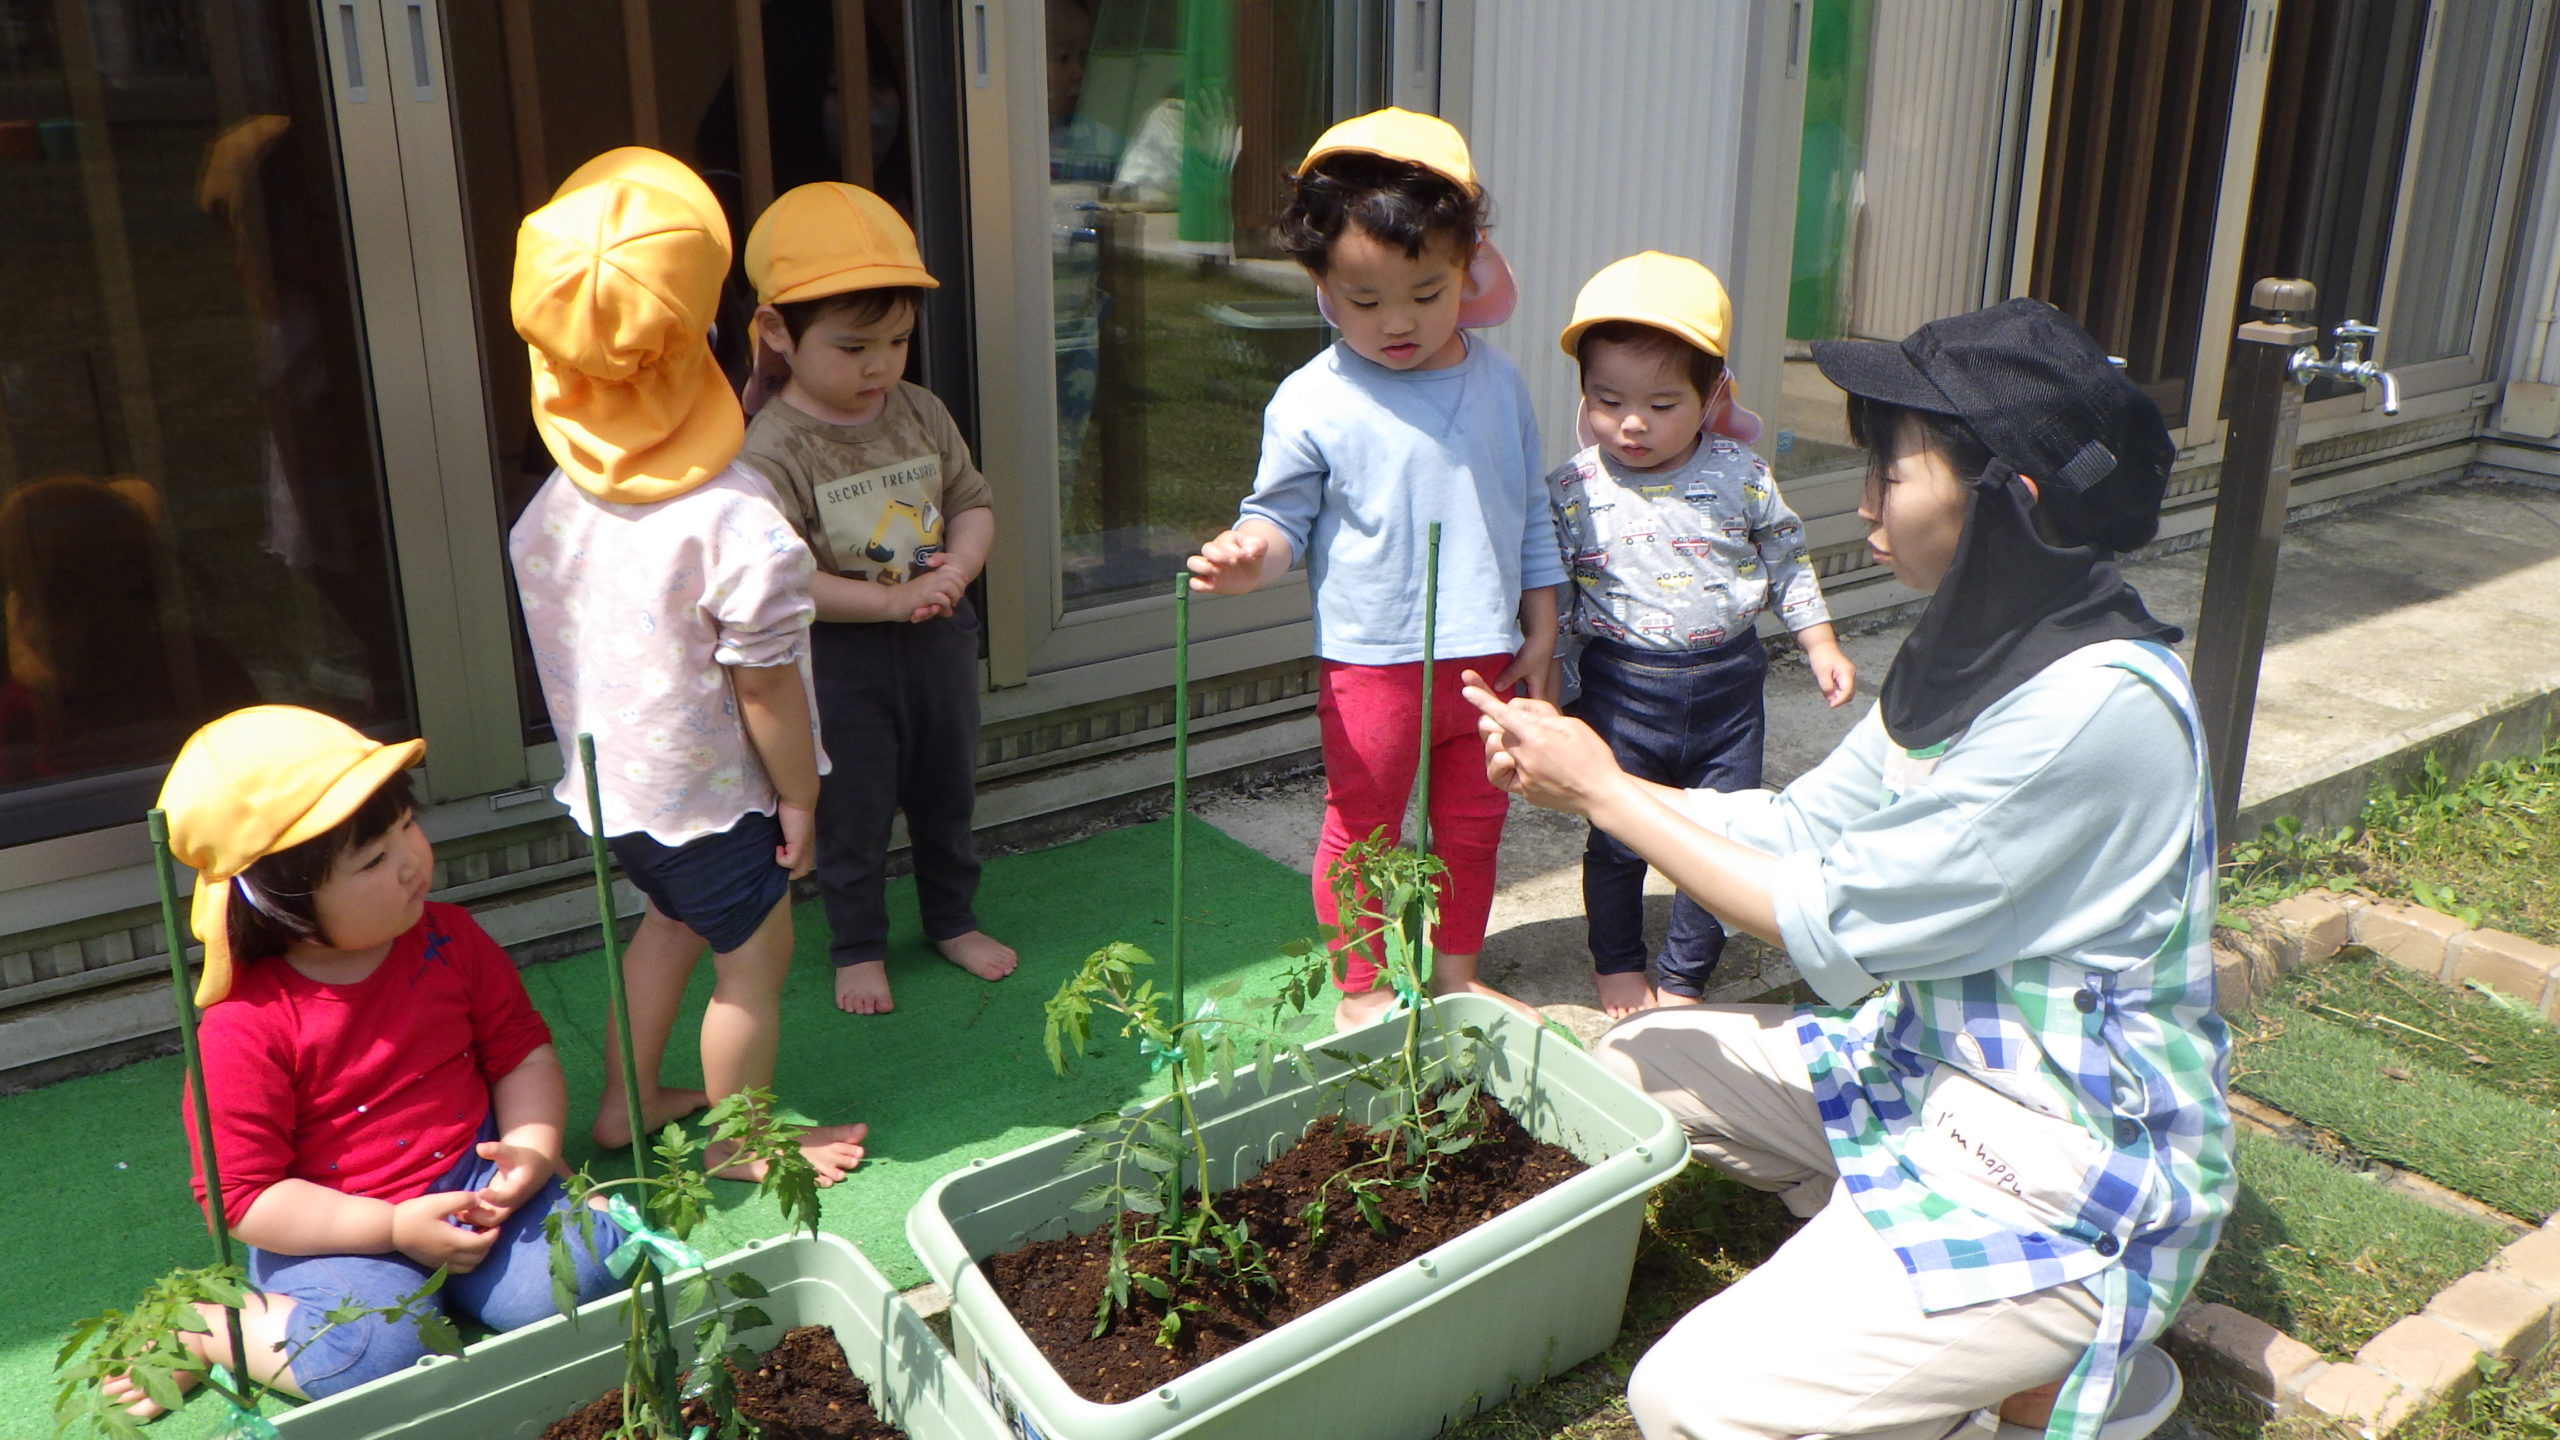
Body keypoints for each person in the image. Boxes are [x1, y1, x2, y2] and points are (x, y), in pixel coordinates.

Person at [1466, 299, 2233, 1440]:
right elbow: (1799, 826)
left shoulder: (2087, 709)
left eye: (1891, 472)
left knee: (1686, 1399)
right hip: (1925, 1070)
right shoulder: (1983, 647)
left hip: (2057, 1162)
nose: (1866, 503)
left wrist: (1603, 795)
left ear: (2007, 503)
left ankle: (2045, 1362)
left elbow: (1817, 912)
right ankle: (1917, 1303)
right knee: (1633, 1059)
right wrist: (1593, 774)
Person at [101, 706, 628, 1419]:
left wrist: (531, 1152)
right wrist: (391, 1228)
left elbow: (519, 1052)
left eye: (406, 824)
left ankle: (542, 1232)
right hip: (337, 1235)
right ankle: (210, 1327)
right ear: (282, 903)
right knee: (376, 1361)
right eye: (373, 860)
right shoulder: (245, 1026)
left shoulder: (449, 938)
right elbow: (245, 1198)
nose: (411, 860)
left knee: (590, 1276)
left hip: (476, 1183)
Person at [507, 147, 867, 1184]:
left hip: (617, 793)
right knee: (751, 964)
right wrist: (799, 796)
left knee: (665, 927)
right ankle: (743, 1144)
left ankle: (625, 1103)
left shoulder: (556, 501)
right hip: (717, 801)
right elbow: (766, 685)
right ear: (704, 336)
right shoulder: (739, 526)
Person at [1184, 108, 1560, 1029]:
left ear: (1469, 265)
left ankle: (1456, 974)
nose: (1398, 322)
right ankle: (1361, 988)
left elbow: (1528, 507)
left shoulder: (1501, 381)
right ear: (1321, 285)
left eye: (1428, 293)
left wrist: (1544, 623)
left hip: (1486, 654)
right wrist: (1252, 559)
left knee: (1474, 825)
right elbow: (1280, 518)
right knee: (1364, 829)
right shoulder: (1312, 399)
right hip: (1372, 665)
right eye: (1364, 300)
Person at [1548, 252, 1857, 1018]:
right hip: (1621, 687)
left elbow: (1785, 554)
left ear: (1714, 393)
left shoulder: (1741, 474)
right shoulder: (1572, 488)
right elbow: (1551, 591)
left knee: (1728, 838)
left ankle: (1684, 977)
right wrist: (1550, 673)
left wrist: (1818, 639)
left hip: (1729, 688)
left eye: (1662, 403)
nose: (1632, 423)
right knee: (1617, 835)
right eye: (1607, 400)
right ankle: (1618, 963)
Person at [737, 180, 1017, 1016]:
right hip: (839, 659)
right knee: (851, 809)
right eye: (853, 346)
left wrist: (958, 569)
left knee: (946, 792)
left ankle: (952, 919)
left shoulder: (919, 411)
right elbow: (783, 576)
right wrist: (891, 604)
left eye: (897, 340)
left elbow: (972, 502)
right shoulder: (773, 448)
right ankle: (856, 945)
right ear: (778, 331)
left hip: (938, 639)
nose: (880, 366)